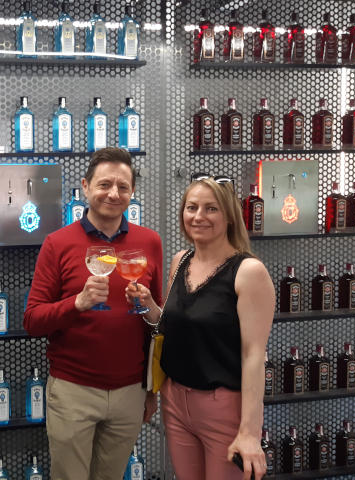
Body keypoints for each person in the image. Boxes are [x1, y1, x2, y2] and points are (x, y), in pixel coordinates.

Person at [23, 147, 163, 480]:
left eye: (123, 187)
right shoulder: (58, 243)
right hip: (74, 390)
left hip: (130, 391)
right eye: (104, 185)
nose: (113, 194)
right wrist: (77, 303)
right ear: (85, 187)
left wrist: (151, 389)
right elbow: (32, 320)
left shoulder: (150, 242)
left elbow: (159, 325)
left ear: (132, 193)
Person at [130, 174, 274, 480]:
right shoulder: (180, 261)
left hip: (222, 408)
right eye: (191, 207)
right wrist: (147, 305)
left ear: (230, 217)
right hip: (176, 402)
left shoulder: (248, 271)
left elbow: (253, 355)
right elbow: (169, 326)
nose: (198, 216)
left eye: (211, 209)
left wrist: (249, 433)